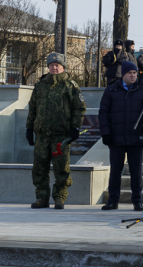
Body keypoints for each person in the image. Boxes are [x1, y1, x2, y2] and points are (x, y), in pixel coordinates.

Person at [26, 52, 86, 209]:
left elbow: (79, 109)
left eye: (57, 66)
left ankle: (59, 197)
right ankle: (41, 198)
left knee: (61, 168)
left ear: (63, 67)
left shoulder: (70, 86)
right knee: (39, 167)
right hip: (42, 135)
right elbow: (32, 108)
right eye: (51, 66)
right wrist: (29, 128)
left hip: (61, 136)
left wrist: (75, 127)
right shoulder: (40, 86)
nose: (54, 68)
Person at [98, 61, 143, 212]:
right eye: (130, 73)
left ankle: (137, 201)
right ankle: (113, 201)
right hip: (116, 138)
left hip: (135, 139)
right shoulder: (111, 90)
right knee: (115, 172)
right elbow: (103, 113)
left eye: (135, 73)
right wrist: (106, 133)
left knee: (136, 173)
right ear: (123, 74)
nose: (133, 75)